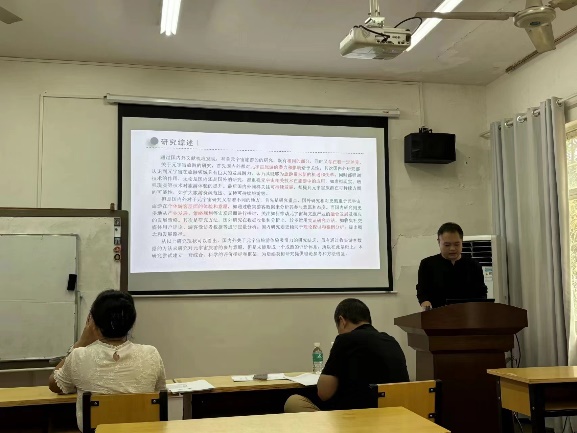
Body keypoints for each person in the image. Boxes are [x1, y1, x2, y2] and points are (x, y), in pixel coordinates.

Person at [49, 290, 166, 432]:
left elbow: (54, 384)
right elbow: (159, 391)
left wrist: (81, 343)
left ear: (93, 322)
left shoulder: (79, 356)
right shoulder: (151, 354)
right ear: (132, 323)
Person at [284, 298, 409, 413]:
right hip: (394, 417)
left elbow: (324, 393)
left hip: (356, 420)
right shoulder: (391, 341)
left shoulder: (345, 340)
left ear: (342, 321)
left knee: (293, 402)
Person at [417, 222, 488, 310]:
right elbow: (422, 292)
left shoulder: (473, 265)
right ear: (439, 242)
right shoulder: (427, 264)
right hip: (438, 314)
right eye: (447, 245)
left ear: (462, 242)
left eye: (457, 244)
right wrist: (425, 302)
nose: (452, 248)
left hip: (467, 314)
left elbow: (481, 293)